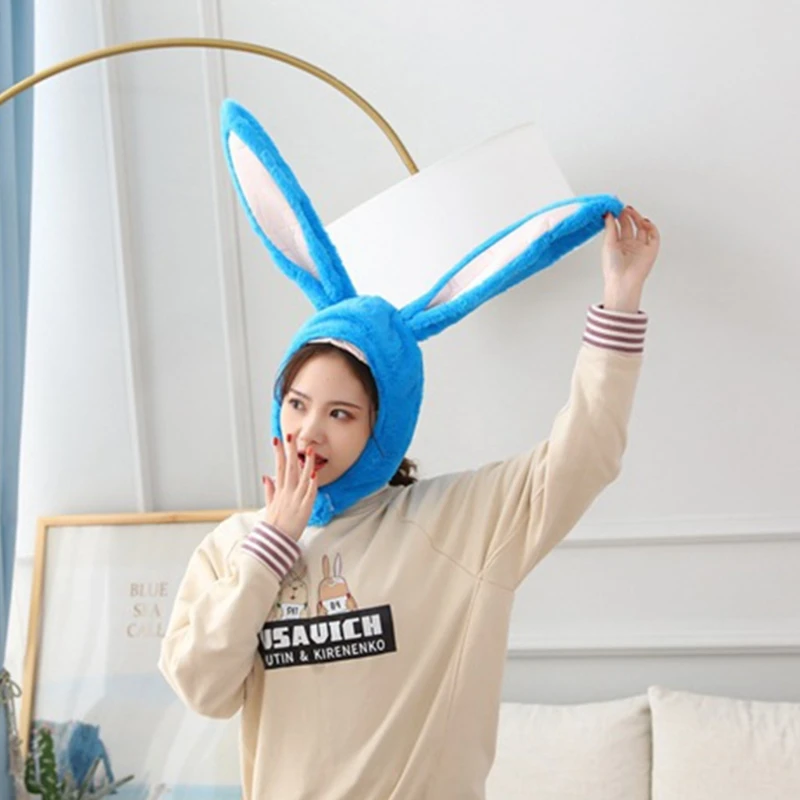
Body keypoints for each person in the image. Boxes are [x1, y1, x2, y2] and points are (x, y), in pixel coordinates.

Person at [159, 100, 659, 799]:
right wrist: (269, 548)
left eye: (340, 413)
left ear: (382, 429)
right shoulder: (230, 548)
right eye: (297, 404)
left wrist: (620, 300)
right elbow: (204, 690)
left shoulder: (454, 525)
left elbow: (585, 454)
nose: (309, 431)